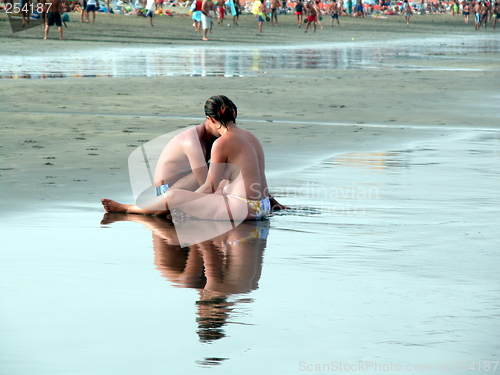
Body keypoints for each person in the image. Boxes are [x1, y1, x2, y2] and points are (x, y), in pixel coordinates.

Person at [102, 95, 287, 219]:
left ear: (211, 119)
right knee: (225, 181)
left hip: (244, 210)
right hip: (261, 206)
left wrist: (179, 206)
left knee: (174, 196)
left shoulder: (221, 143)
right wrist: (274, 204)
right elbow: (259, 177)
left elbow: (208, 186)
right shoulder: (250, 136)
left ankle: (127, 208)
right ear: (234, 113)